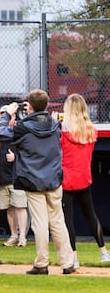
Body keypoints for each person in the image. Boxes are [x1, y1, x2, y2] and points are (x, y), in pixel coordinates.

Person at [0, 89, 75, 275]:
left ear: (29, 106)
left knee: (40, 223)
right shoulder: (55, 124)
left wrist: (8, 114)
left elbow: (0, 133)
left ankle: (42, 263)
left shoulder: (24, 126)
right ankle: (67, 263)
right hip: (54, 179)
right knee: (58, 221)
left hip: (33, 180)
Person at [60, 93, 110, 267]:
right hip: (84, 177)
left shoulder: (63, 131)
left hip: (67, 178)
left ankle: (73, 257)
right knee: (91, 215)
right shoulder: (91, 130)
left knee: (68, 219)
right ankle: (103, 252)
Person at [0, 105, 29, 248]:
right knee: (9, 208)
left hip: (17, 177)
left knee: (20, 206)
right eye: (2, 114)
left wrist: (16, 157)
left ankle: (23, 237)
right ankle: (14, 235)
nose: (6, 117)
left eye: (7, 114)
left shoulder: (20, 131)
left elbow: (29, 152)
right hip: (2, 177)